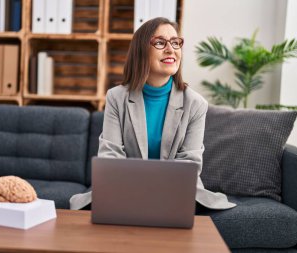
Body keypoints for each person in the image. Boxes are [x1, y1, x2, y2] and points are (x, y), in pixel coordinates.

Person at [70, 17, 236, 210]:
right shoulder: (116, 98)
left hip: (177, 191)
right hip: (125, 190)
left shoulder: (196, 104)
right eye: (160, 42)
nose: (171, 49)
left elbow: (190, 165)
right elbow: (110, 157)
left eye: (175, 42)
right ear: (141, 50)